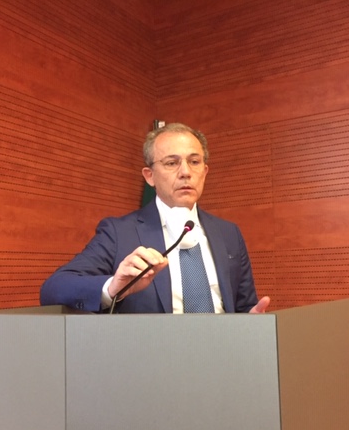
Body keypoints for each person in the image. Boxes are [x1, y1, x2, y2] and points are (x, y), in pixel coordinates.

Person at [40, 123, 270, 314]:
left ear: (205, 171)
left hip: (224, 350)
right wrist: (113, 287)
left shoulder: (228, 233)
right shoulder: (119, 233)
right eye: (171, 163)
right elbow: (54, 288)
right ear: (149, 176)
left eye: (194, 162)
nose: (186, 172)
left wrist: (251, 321)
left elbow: (244, 306)